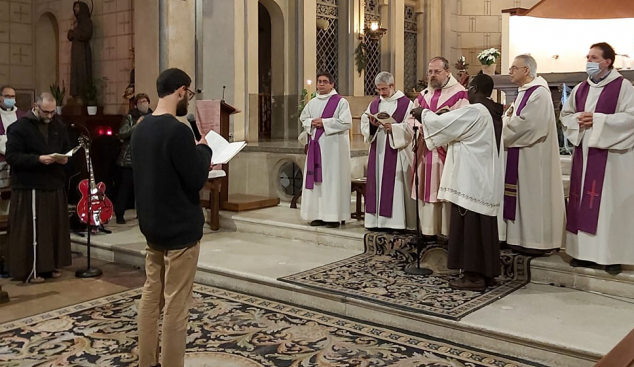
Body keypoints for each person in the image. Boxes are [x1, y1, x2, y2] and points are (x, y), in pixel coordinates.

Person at [132, 68, 212, 367]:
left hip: (153, 227)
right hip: (180, 230)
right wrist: (204, 150)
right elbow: (194, 179)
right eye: (188, 94)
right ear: (180, 91)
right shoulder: (177, 130)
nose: (188, 100)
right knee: (176, 306)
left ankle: (147, 362)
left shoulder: (141, 127)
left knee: (152, 298)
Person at [412, 74, 503, 291]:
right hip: (481, 178)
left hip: (470, 180)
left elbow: (444, 124)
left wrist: (422, 113)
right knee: (483, 228)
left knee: (470, 228)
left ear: (472, 88)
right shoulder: (490, 111)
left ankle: (473, 277)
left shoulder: (474, 111)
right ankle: (486, 272)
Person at [560, 42, 634, 275]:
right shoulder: (582, 87)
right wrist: (577, 121)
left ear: (607, 62)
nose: (589, 61)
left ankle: (611, 256)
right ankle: (583, 254)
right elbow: (566, 115)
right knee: (582, 201)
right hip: (584, 154)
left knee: (608, 205)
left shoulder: (623, 87)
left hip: (612, 159)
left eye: (594, 57)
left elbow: (631, 118)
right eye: (588, 56)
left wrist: (599, 120)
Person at [502, 55, 565, 255]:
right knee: (522, 197)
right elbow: (511, 118)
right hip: (520, 153)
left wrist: (498, 128)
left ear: (526, 70)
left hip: (534, 156)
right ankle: (518, 238)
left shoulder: (539, 94)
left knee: (534, 197)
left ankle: (538, 242)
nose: (510, 71)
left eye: (514, 67)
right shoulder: (523, 92)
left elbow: (529, 125)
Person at [5, 93, 72, 283]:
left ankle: (50, 266)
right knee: (33, 230)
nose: (50, 116)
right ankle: (30, 269)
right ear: (36, 106)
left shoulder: (59, 126)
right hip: (30, 185)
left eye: (53, 112)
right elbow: (12, 156)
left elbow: (66, 148)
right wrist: (38, 159)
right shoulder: (19, 127)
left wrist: (65, 157)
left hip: (54, 183)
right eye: (46, 112)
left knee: (53, 229)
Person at [408, 57, 469, 238]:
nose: (432, 76)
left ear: (447, 72)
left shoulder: (459, 93)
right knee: (426, 189)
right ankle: (427, 232)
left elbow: (461, 121)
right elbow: (410, 119)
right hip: (425, 151)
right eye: (430, 72)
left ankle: (446, 232)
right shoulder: (424, 95)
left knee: (444, 192)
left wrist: (434, 126)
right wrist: (420, 126)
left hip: (446, 151)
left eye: (437, 72)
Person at [361, 71, 416, 230]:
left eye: (384, 89)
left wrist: (394, 128)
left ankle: (395, 223)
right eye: (378, 89)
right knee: (376, 182)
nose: (381, 93)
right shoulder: (374, 104)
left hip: (396, 151)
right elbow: (365, 125)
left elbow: (411, 127)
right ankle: (375, 222)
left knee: (394, 186)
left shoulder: (406, 104)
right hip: (377, 149)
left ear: (393, 86)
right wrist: (372, 125)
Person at [300, 72, 352, 228]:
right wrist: (312, 122)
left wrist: (324, 122)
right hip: (316, 147)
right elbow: (304, 119)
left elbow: (346, 122)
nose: (321, 84)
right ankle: (317, 215)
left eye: (325, 82)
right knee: (317, 181)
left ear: (332, 85)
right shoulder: (312, 102)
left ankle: (333, 216)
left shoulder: (341, 102)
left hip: (333, 149)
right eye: (319, 81)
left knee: (332, 180)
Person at [114, 93, 152, 224]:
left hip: (145, 160)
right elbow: (122, 134)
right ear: (136, 104)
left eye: (146, 101)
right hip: (129, 160)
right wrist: (137, 125)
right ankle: (119, 214)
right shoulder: (130, 117)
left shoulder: (152, 117)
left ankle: (143, 215)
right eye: (141, 101)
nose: (144, 103)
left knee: (144, 189)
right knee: (125, 189)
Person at [67, 1, 93, 98]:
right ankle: (75, 93)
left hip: (83, 50)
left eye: (77, 7)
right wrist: (73, 30)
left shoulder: (87, 22)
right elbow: (69, 36)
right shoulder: (76, 23)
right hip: (75, 50)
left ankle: (83, 94)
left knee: (83, 71)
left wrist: (75, 31)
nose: (75, 9)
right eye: (75, 7)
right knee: (75, 71)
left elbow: (86, 34)